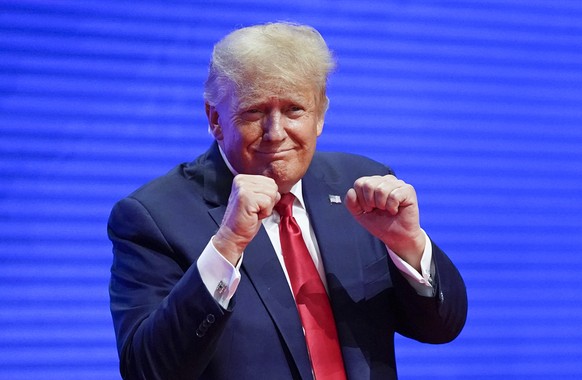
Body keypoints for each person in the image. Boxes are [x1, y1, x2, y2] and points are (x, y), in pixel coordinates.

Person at [108, 22, 468, 380]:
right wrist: (227, 245)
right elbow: (147, 370)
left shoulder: (360, 186)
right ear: (215, 119)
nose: (275, 133)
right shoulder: (153, 216)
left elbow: (441, 327)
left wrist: (408, 244)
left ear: (320, 116)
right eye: (254, 111)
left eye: (295, 109)